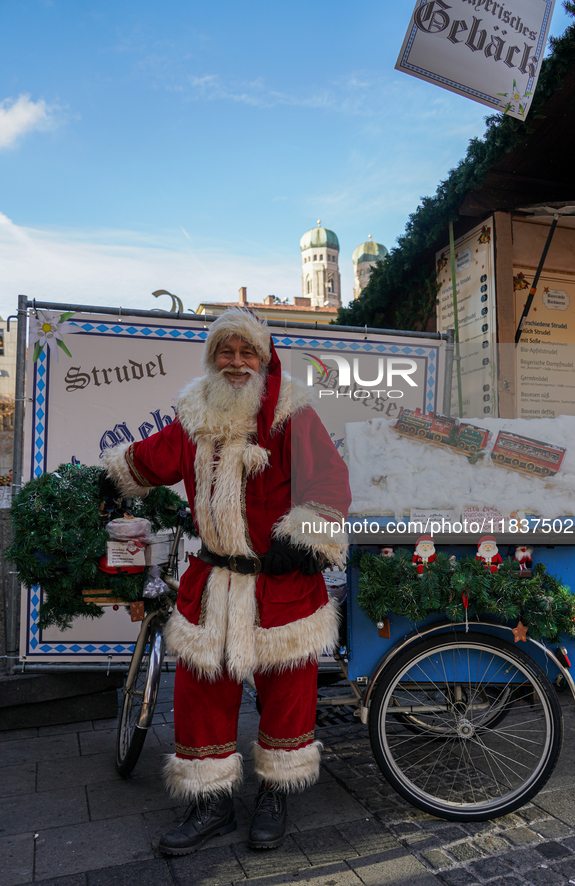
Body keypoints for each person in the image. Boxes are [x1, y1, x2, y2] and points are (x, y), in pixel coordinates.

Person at [102, 308, 351, 854]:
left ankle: (275, 793)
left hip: (281, 584)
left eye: (247, 353)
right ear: (212, 357)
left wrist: (304, 535)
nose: (237, 363)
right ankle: (211, 804)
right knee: (200, 693)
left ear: (264, 359)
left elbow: (330, 479)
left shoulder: (293, 416)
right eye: (226, 351)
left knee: (287, 694)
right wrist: (104, 482)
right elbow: (146, 461)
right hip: (214, 581)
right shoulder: (194, 416)